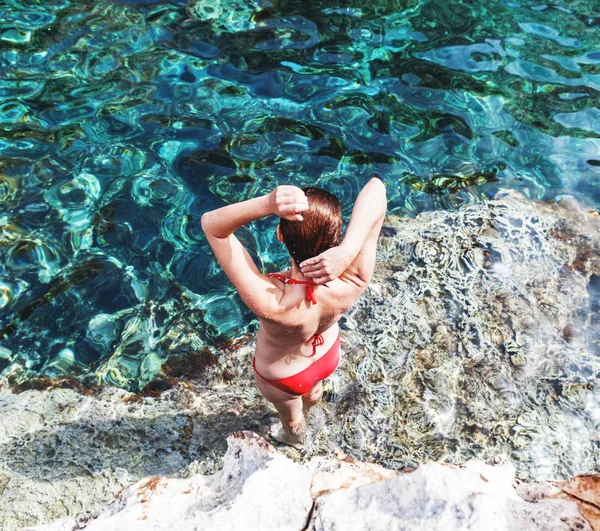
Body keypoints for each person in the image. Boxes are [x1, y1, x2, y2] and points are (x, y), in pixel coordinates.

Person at [201, 178, 386, 447]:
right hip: (328, 355)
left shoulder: (273, 303)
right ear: (335, 239)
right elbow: (377, 188)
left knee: (291, 419)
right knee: (313, 391)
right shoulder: (352, 280)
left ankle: (295, 441)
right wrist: (347, 251)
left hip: (285, 377)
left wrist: (266, 203)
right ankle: (315, 406)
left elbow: (212, 226)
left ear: (279, 235)